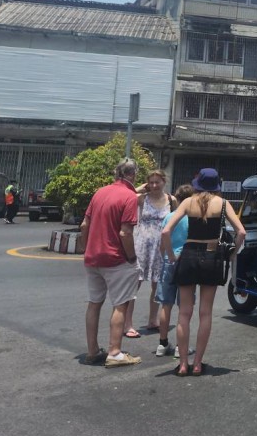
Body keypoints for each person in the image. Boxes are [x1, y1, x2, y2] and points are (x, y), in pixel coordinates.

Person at [162, 168, 246, 377]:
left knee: (184, 313)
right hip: (211, 257)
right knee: (205, 313)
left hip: (188, 255)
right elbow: (241, 232)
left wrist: (171, 256)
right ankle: (198, 364)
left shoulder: (187, 202)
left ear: (198, 183)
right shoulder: (223, 204)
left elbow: (165, 231)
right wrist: (232, 254)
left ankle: (183, 364)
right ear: (216, 185)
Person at [81, 158, 142, 368]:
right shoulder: (129, 196)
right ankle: (115, 352)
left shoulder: (100, 192)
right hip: (116, 259)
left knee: (94, 303)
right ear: (132, 174)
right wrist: (132, 257)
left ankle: (92, 351)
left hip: (93, 258)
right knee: (120, 305)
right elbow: (125, 233)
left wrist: (87, 249)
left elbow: (84, 225)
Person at [123, 170, 177, 339]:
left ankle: (153, 319)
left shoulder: (171, 200)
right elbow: (125, 196)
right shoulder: (141, 199)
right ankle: (127, 323)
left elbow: (176, 220)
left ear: (164, 182)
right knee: (134, 284)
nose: (154, 185)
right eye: (151, 182)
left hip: (161, 247)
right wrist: (141, 187)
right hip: (141, 246)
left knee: (157, 284)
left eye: (157, 182)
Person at [154, 184, 193, 357]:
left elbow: (162, 242)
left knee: (166, 304)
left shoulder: (169, 217)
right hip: (186, 261)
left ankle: (162, 344)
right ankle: (180, 346)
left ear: (177, 198)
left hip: (169, 261)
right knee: (184, 307)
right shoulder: (193, 219)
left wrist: (167, 256)